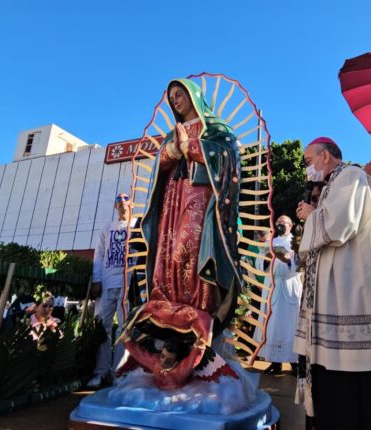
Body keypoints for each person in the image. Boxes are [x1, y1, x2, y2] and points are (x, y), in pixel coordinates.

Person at [294, 137, 371, 430]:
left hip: (348, 281)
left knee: (348, 376)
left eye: (308, 161)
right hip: (334, 280)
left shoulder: (350, 175)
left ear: (325, 156)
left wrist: (311, 216)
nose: (307, 169)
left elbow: (340, 225)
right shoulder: (339, 181)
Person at [141, 78, 241, 330]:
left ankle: (199, 305)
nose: (174, 100)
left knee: (189, 246)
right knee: (168, 246)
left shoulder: (216, 129)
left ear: (194, 96)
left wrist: (190, 145)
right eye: (172, 97)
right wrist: (172, 150)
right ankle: (166, 301)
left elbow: (228, 155)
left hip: (200, 195)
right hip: (172, 197)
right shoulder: (171, 134)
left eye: (179, 94)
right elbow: (159, 166)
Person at [86, 192, 135, 388]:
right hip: (107, 283)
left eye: (126, 198)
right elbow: (99, 255)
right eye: (118, 200)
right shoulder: (107, 228)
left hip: (128, 284)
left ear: (131, 203)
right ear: (115, 206)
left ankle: (119, 373)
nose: (122, 202)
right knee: (102, 328)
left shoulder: (139, 224)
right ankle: (100, 372)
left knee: (126, 329)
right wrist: (97, 279)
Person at [255, 215, 302, 375]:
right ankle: (275, 363)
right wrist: (267, 258)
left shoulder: (297, 241)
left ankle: (295, 363)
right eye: (277, 223)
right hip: (273, 286)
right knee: (273, 325)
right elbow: (260, 263)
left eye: (282, 223)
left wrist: (289, 261)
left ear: (290, 225)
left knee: (290, 325)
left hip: (289, 286)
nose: (279, 225)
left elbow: (302, 264)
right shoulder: (272, 242)